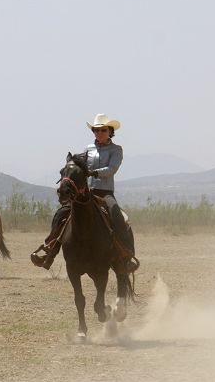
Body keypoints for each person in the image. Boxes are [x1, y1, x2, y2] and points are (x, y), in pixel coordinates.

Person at [38, 113, 139, 272]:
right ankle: (49, 250)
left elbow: (112, 169)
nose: (99, 133)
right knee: (61, 214)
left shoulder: (116, 150)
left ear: (110, 131)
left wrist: (93, 172)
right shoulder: (88, 149)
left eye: (102, 130)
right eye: (95, 130)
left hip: (105, 192)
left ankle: (126, 255)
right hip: (86, 191)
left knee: (117, 215)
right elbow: (78, 166)